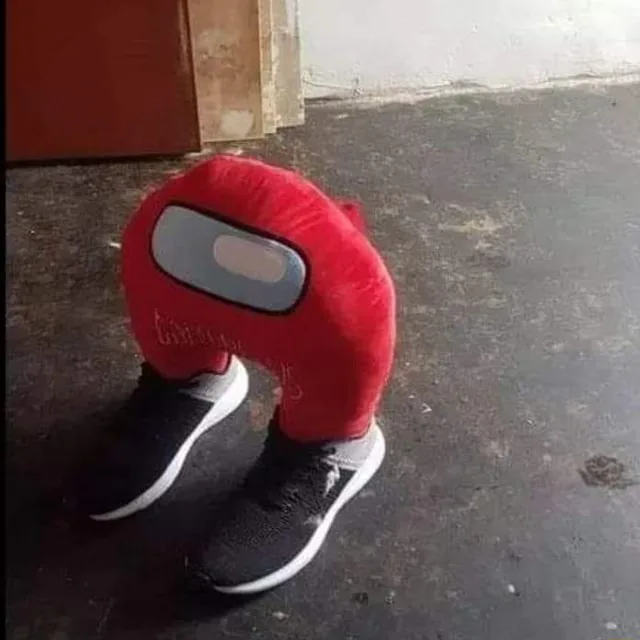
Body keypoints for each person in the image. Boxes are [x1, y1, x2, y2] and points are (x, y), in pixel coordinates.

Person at [79, 155, 396, 594]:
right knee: (167, 289)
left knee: (333, 366)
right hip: (177, 255)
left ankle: (332, 446)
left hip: (324, 310)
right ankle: (187, 381)